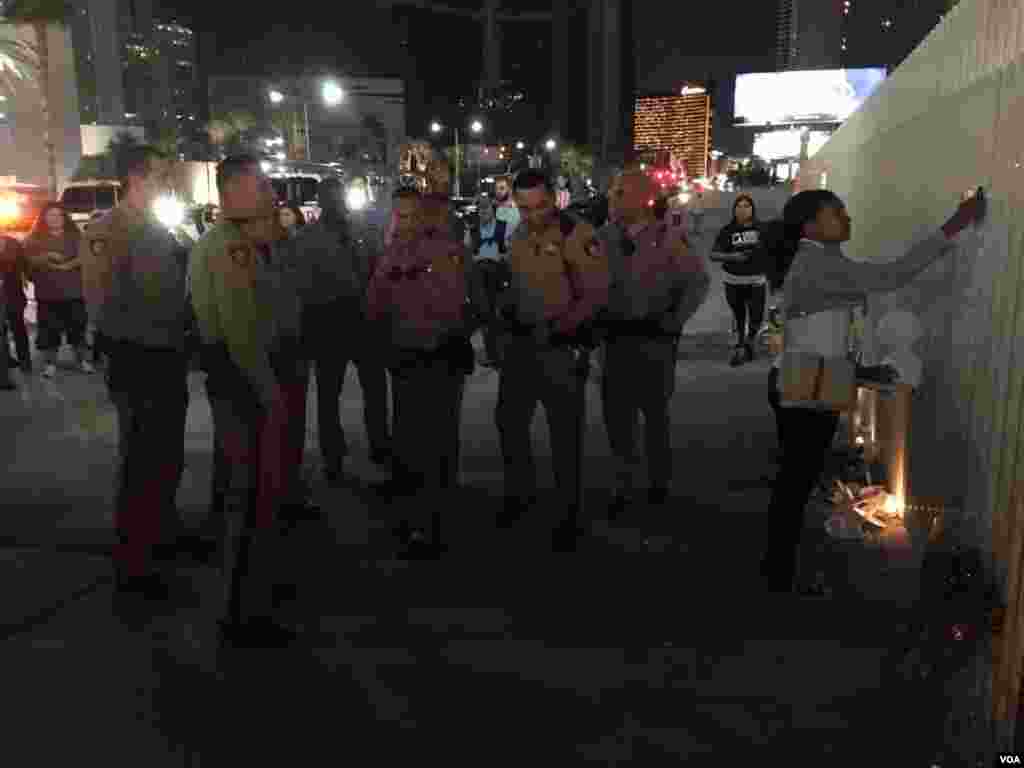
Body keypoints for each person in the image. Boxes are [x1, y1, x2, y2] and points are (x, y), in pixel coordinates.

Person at [761, 188, 986, 593]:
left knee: (796, 481)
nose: (847, 218)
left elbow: (818, 340)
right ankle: (778, 574)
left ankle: (780, 569)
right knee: (795, 483)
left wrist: (863, 373)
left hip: (806, 382)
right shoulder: (817, 264)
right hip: (806, 387)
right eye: (837, 213)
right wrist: (956, 224)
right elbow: (892, 274)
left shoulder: (822, 261)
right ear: (811, 225)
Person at [190, 154, 308, 645]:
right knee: (249, 500)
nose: (268, 191)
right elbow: (240, 332)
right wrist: (270, 394)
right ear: (234, 189)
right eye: (259, 183)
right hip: (245, 384)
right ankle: (241, 612)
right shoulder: (228, 248)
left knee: (261, 497)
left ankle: (254, 598)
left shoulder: (249, 244)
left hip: (250, 381)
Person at [80, 145, 191, 600]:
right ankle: (134, 559)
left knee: (167, 454)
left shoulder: (160, 230)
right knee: (142, 460)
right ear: (138, 179)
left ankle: (161, 533)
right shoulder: (109, 229)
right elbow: (102, 302)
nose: (169, 184)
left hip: (167, 354)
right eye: (163, 176)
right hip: (135, 357)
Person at [496, 170, 610, 551]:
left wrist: (562, 328)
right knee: (510, 425)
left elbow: (595, 295)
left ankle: (567, 514)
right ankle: (520, 495)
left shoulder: (577, 235)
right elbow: (516, 286)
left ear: (554, 200)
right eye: (524, 207)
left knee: (564, 437)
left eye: (540, 205)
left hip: (560, 350)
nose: (532, 215)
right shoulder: (517, 236)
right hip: (520, 350)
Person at [366, 187, 477, 558]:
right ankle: (421, 517)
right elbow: (375, 302)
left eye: (411, 215)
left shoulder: (446, 253)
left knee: (434, 446)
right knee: (412, 445)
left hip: (438, 362)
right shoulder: (392, 254)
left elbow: (453, 310)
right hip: (406, 362)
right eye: (399, 215)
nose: (404, 223)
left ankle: (431, 524)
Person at [599, 170, 710, 517]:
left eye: (619, 193)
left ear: (640, 198)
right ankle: (624, 484)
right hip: (615, 342)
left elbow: (697, 282)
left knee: (655, 417)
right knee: (617, 419)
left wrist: (675, 321)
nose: (612, 198)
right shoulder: (603, 238)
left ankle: (658, 483)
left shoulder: (668, 238)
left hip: (654, 342)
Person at [295, 177, 391, 487]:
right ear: (322, 200)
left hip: (362, 319)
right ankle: (332, 456)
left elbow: (376, 266)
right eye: (331, 198)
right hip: (329, 321)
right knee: (328, 395)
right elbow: (303, 287)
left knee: (375, 386)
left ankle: (379, 444)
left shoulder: (359, 230)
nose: (338, 203)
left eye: (340, 197)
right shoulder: (308, 237)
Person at [24, 203, 92, 378]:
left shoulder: (77, 236)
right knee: (49, 331)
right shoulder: (33, 239)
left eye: (58, 215)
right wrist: (46, 257)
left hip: (74, 292)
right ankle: (50, 364)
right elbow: (26, 262)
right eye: (50, 215)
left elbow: (88, 256)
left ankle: (82, 360)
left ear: (64, 218)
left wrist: (70, 264)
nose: (54, 218)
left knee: (77, 328)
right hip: (48, 293)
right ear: (44, 218)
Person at [710, 194, 770, 366]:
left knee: (756, 317)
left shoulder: (762, 229)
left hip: (756, 281)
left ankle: (749, 343)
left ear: (752, 209)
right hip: (733, 282)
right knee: (739, 316)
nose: (743, 209)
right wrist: (732, 257)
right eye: (739, 206)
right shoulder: (727, 231)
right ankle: (741, 347)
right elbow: (713, 254)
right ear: (734, 210)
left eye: (746, 206)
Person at [464, 196, 510, 367]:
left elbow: (512, 252)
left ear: (493, 209)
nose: (484, 212)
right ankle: (492, 353)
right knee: (485, 317)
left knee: (499, 316)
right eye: (481, 209)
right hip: (479, 278)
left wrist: (501, 258)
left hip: (499, 275)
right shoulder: (472, 230)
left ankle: (500, 353)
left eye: (487, 208)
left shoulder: (504, 227)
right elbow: (466, 255)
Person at [0, 233, 30, 374]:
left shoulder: (13, 243)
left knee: (18, 328)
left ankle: (25, 361)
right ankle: (6, 359)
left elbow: (24, 264)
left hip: (13, 293)